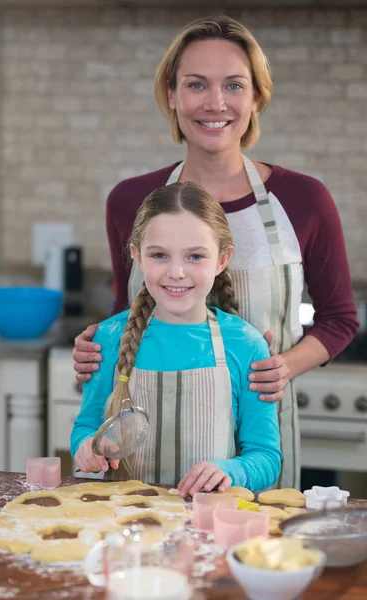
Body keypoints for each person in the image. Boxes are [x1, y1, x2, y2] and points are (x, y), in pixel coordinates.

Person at [72, 15, 358, 490]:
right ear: (171, 94)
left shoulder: (305, 199)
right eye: (196, 84)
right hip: (142, 463)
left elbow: (340, 319)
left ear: (256, 97)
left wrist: (282, 367)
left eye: (234, 85)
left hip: (258, 447)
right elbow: (129, 310)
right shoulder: (130, 199)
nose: (215, 103)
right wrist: (95, 347)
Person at [71, 182, 282, 497]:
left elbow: (266, 457)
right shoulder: (108, 338)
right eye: (159, 255)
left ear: (222, 260)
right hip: (125, 527)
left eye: (195, 256)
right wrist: (87, 448)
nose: (177, 272)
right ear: (138, 257)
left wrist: (230, 471)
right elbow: (85, 427)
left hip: (207, 531)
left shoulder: (245, 344)